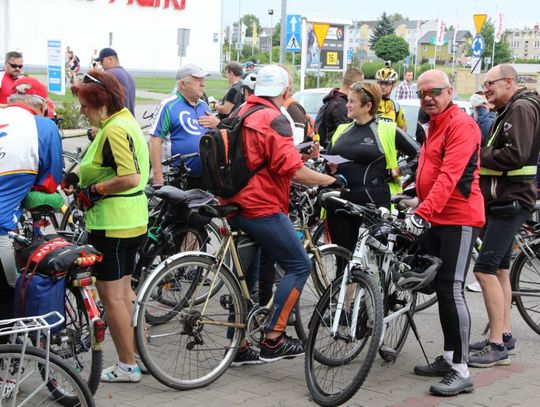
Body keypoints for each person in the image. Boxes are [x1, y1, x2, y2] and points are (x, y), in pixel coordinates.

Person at [221, 65, 345, 363]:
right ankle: (273, 338)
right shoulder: (274, 118)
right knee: (299, 265)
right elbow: (295, 172)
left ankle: (238, 347)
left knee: (245, 279)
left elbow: (262, 158)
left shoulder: (241, 112)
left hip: (233, 203)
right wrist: (330, 180)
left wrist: (295, 155)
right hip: (261, 206)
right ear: (286, 90)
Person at [66, 69, 150, 383]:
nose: (82, 110)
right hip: (132, 219)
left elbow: (128, 176)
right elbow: (101, 163)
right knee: (125, 292)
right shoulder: (123, 121)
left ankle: (127, 365)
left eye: (85, 104)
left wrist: (94, 191)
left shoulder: (114, 129)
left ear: (101, 103)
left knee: (111, 296)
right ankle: (137, 355)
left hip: (112, 223)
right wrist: (75, 176)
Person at [405, 69, 485, 396]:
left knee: (452, 288)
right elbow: (429, 170)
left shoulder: (461, 125)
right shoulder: (433, 124)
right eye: (422, 93)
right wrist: (416, 198)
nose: (428, 98)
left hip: (459, 217)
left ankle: (462, 371)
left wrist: (422, 212)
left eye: (435, 92)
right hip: (436, 216)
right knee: (441, 287)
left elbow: (450, 176)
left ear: (450, 92)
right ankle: (451, 357)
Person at [468, 64, 540, 368]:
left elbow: (515, 154)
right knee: (500, 270)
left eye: (490, 84)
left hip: (509, 201)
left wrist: (477, 155)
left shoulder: (520, 108)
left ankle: (497, 346)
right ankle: (504, 334)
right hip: (507, 199)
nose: (486, 90)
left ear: (509, 81)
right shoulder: (514, 107)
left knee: (484, 270)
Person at [325, 81, 419, 254]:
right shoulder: (342, 129)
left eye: (352, 101)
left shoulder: (387, 129)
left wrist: (398, 170)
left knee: (372, 259)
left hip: (372, 204)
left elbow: (419, 154)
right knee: (343, 257)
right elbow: (328, 160)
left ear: (368, 106)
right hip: (341, 203)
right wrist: (328, 167)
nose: (347, 105)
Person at [0, 76, 63, 322]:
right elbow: (50, 182)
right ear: (41, 105)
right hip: (1, 228)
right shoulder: (43, 126)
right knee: (11, 296)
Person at [149, 63, 219, 189]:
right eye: (198, 80)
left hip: (206, 176)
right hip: (177, 177)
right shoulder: (168, 105)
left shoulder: (204, 105)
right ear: (183, 84)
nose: (203, 84)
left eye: (203, 80)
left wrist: (217, 124)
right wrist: (157, 175)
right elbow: (155, 140)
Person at [315, 67, 364, 148]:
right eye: (361, 85)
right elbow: (346, 135)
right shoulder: (340, 105)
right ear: (356, 85)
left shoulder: (335, 99)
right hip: (332, 150)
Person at [95, 48, 136, 115]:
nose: (100, 64)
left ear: (110, 59)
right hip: (130, 119)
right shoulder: (129, 76)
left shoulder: (108, 74)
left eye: (101, 61)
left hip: (117, 119)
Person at [376, 63, 406, 131]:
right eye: (381, 82)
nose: (383, 86)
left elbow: (403, 128)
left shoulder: (396, 107)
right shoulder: (370, 103)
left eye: (387, 83)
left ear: (393, 86)